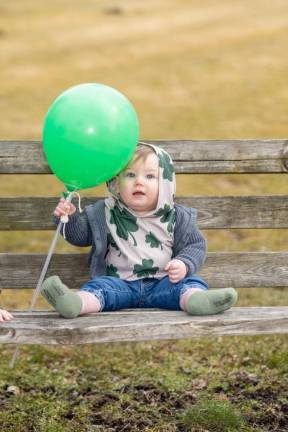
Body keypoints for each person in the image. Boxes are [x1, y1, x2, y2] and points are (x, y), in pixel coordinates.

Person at [39, 143, 237, 318]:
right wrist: (69, 217)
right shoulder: (105, 213)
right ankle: (75, 303)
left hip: (163, 284)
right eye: (130, 175)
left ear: (165, 184)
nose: (139, 182)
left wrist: (184, 264)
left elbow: (196, 245)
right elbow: (81, 236)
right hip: (120, 285)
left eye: (150, 176)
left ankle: (197, 301)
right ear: (116, 182)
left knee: (188, 285)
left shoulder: (176, 216)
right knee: (100, 289)